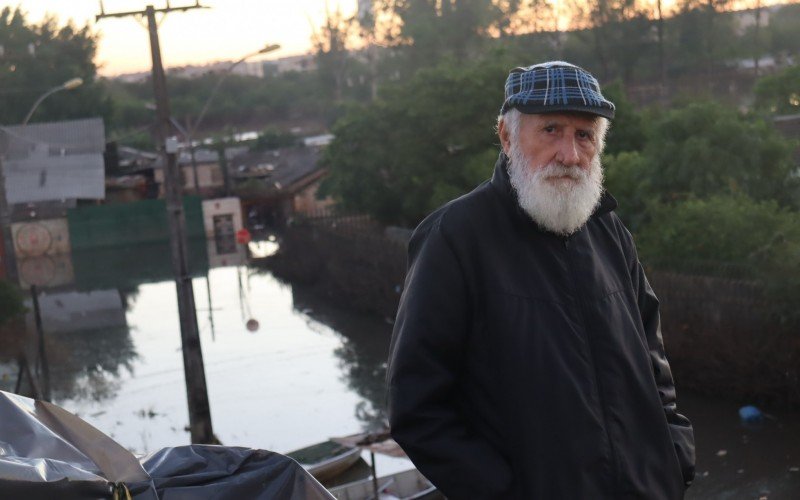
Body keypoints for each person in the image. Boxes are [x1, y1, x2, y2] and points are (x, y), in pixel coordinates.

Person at [387, 61, 695, 499]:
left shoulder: (608, 230)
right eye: (551, 130)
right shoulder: (455, 238)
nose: (569, 154)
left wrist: (674, 455)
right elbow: (417, 408)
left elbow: (652, 356)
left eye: (584, 135)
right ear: (507, 136)